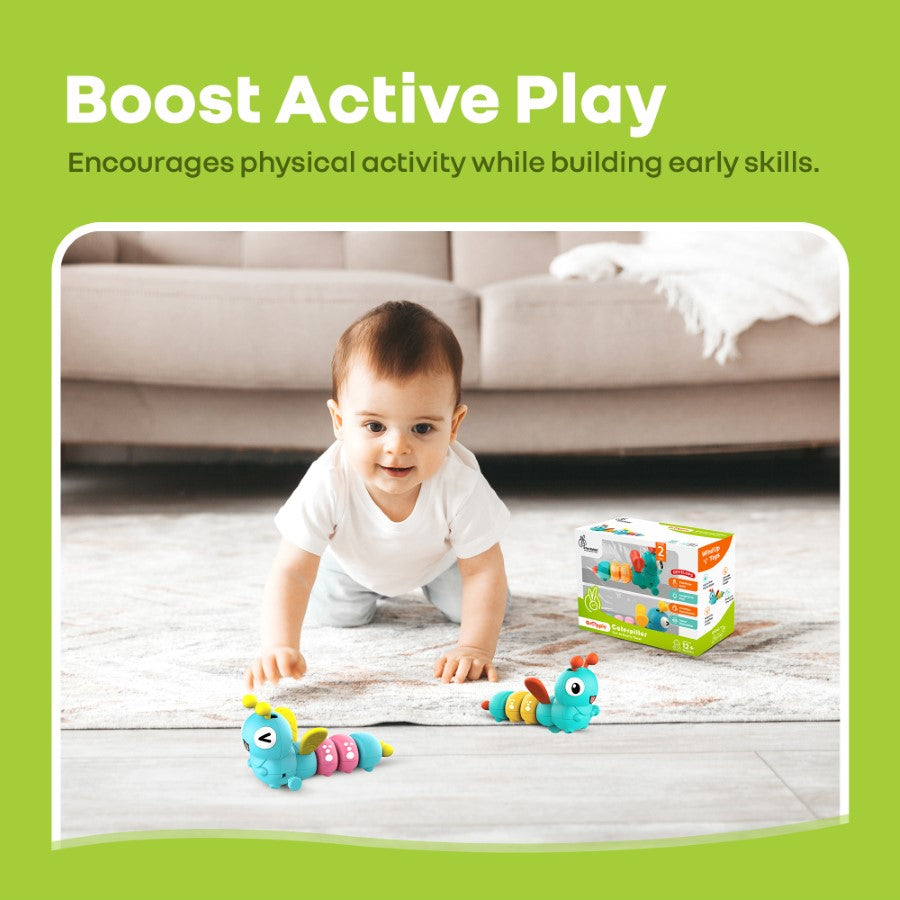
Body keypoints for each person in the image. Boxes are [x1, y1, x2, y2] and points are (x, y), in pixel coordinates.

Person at [245, 301, 510, 689]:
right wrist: (278, 645)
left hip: (440, 561)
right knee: (337, 613)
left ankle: (468, 605)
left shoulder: (461, 485)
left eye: (421, 428)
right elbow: (292, 570)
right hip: (350, 564)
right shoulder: (328, 481)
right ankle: (353, 594)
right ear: (339, 422)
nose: (397, 447)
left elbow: (483, 569)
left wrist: (475, 648)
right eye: (374, 426)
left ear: (454, 426)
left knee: (478, 607)